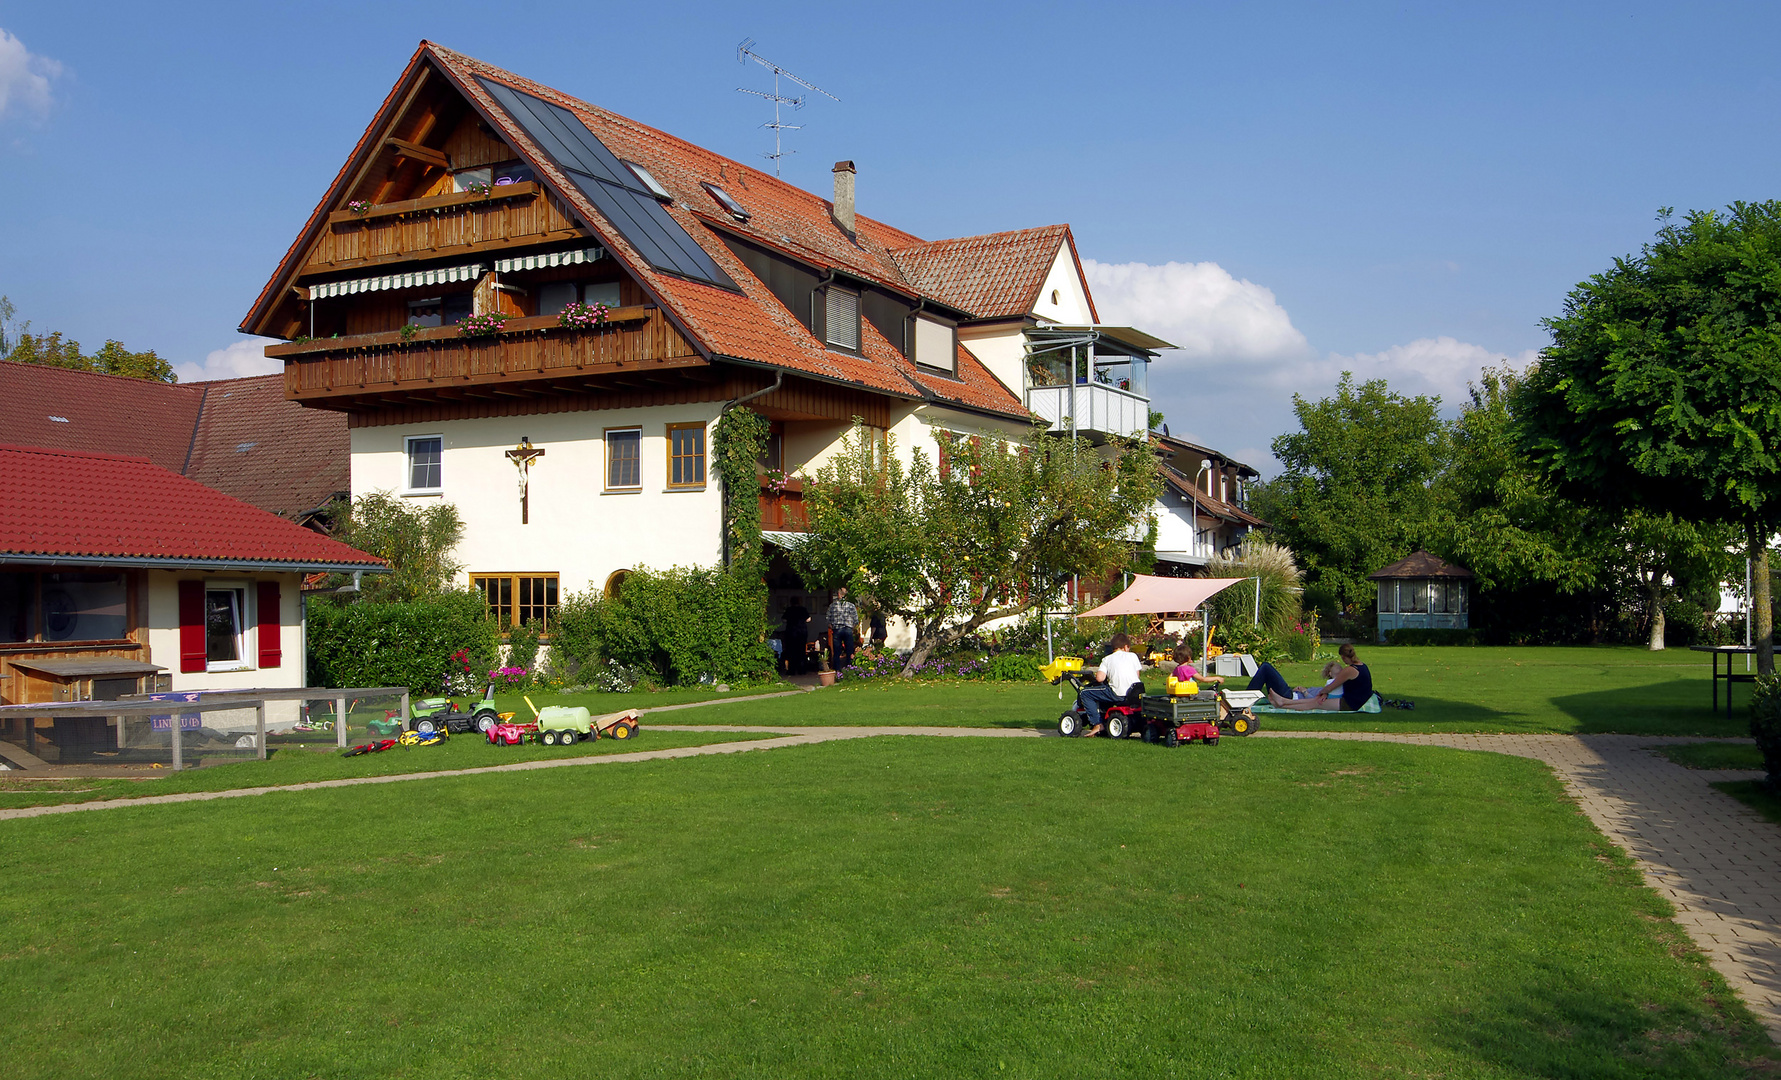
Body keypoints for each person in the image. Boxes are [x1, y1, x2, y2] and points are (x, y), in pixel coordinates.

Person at [1249, 643, 1373, 711]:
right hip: (1354, 700)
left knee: (1315, 703)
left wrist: (1323, 693)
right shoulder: (1362, 666)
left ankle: (1279, 702)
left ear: (1344, 657)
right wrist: (1324, 692)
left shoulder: (1350, 670)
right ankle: (1282, 702)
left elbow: (1332, 686)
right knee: (1314, 701)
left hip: (1350, 703)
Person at [1081, 632, 1143, 737]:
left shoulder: (1107, 659)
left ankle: (1097, 723)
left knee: (1084, 693)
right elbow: (1137, 675)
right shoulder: (1133, 656)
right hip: (1134, 694)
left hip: (1118, 694)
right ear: (1126, 647)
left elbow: (1100, 678)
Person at [826, 587, 860, 669]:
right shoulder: (851, 606)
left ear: (838, 594)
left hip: (837, 629)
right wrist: (852, 628)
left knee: (837, 652)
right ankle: (849, 668)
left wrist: (832, 627)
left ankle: (837, 670)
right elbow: (856, 620)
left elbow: (828, 619)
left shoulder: (833, 606)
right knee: (849, 651)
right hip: (848, 629)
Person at [781, 598, 810, 676]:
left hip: (791, 632)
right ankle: (802, 670)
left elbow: (783, 619)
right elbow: (808, 619)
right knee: (801, 651)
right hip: (801, 632)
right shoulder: (803, 609)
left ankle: (791, 670)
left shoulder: (789, 610)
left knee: (791, 652)